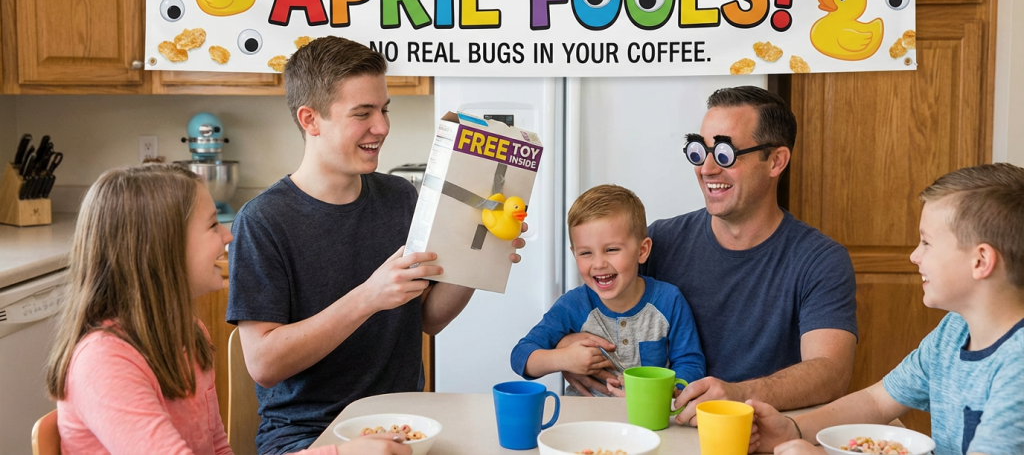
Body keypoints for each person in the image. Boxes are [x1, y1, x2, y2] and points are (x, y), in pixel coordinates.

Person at [227, 36, 525, 454]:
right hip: (306, 436)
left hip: (405, 423)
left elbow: (428, 319)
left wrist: (479, 257)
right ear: (310, 120)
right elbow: (263, 365)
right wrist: (369, 297)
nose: (382, 127)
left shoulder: (401, 197)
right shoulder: (263, 221)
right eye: (362, 113)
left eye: (384, 110)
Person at [44, 164, 409, 455]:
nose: (228, 236)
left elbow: (218, 449)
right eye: (210, 226)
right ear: (161, 248)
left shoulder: (188, 335)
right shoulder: (104, 363)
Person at [560, 86, 858, 426]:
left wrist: (735, 394)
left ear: (776, 161)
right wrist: (572, 347)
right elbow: (593, 310)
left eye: (726, 154)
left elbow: (831, 372)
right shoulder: (660, 240)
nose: (707, 169)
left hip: (756, 436)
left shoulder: (820, 260)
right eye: (700, 152)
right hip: (665, 435)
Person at [748, 163, 1024, 455]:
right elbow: (877, 401)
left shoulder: (1017, 365)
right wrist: (791, 429)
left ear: (980, 261)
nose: (914, 256)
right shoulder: (954, 331)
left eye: (926, 242)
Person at [510, 184, 705, 394]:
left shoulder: (669, 300)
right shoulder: (573, 305)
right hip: (585, 419)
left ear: (642, 250)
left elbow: (690, 364)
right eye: (586, 253)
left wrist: (668, 392)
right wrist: (565, 359)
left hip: (648, 420)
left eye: (611, 250)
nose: (599, 263)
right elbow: (521, 356)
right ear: (574, 253)